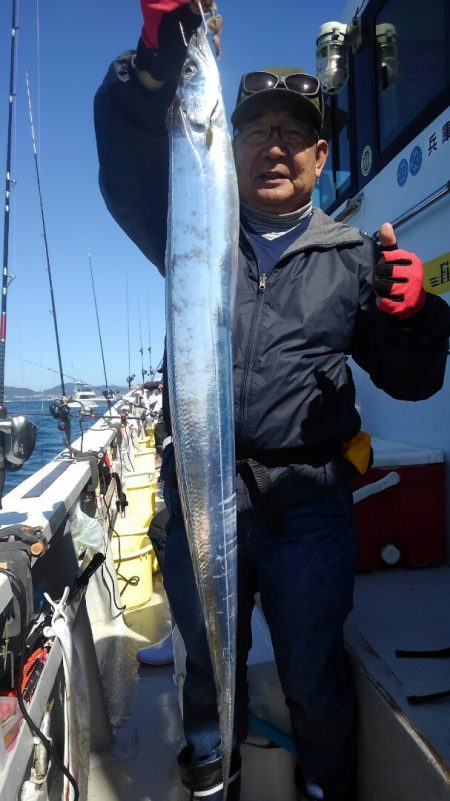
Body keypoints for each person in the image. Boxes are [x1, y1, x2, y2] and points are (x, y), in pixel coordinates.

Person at [94, 2, 450, 799]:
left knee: (313, 674)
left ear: (322, 157)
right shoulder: (186, 221)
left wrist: (419, 319)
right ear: (226, 143)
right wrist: (151, 64)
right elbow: (123, 164)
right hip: (197, 493)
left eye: (294, 132)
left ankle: (324, 788)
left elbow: (413, 380)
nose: (274, 146)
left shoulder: (353, 257)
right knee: (199, 664)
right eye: (256, 130)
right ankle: (210, 779)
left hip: (307, 507)